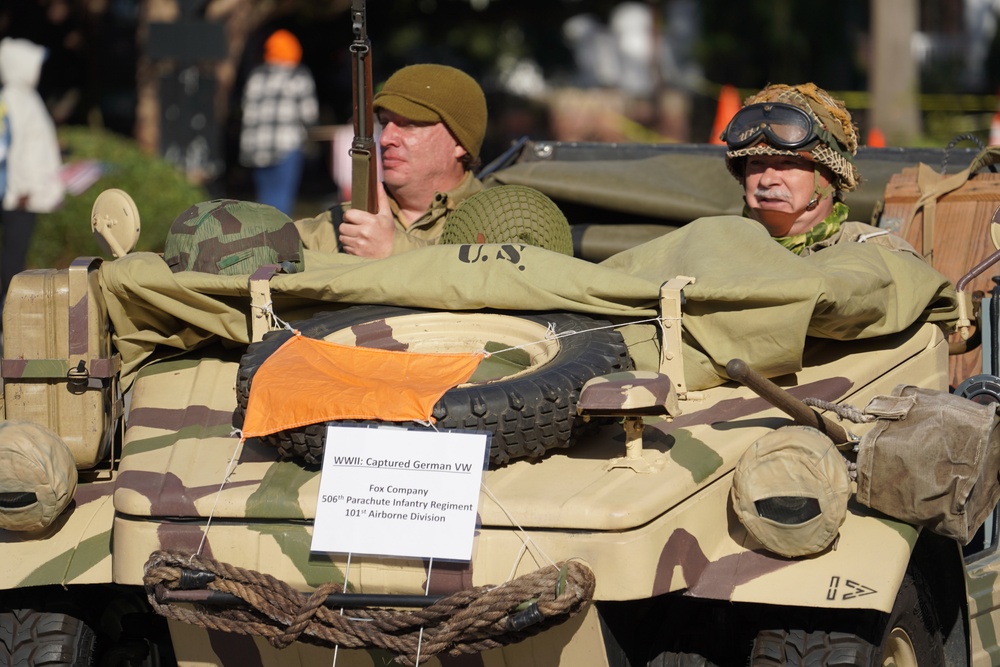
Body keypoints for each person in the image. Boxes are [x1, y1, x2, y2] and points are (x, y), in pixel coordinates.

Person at [294, 63, 487, 259]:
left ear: (459, 142)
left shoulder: (500, 219)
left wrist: (392, 250)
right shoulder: (349, 219)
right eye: (384, 123)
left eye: (409, 124)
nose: (385, 139)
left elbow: (488, 280)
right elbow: (274, 248)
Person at [720, 82, 914, 256]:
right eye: (756, 163)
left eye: (789, 163)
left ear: (830, 174)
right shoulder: (713, 249)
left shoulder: (880, 256)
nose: (767, 180)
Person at [0, 37, 64, 324]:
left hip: (25, 195)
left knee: (16, 256)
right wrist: (21, 189)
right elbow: (7, 147)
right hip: (19, 196)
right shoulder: (12, 100)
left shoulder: (25, 98)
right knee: (12, 260)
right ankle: (7, 317)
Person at [239, 29, 318, 217]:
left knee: (264, 199)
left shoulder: (256, 76)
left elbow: (245, 108)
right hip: (286, 146)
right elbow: (309, 115)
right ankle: (278, 242)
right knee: (281, 199)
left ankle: (262, 239)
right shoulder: (297, 75)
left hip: (257, 149)